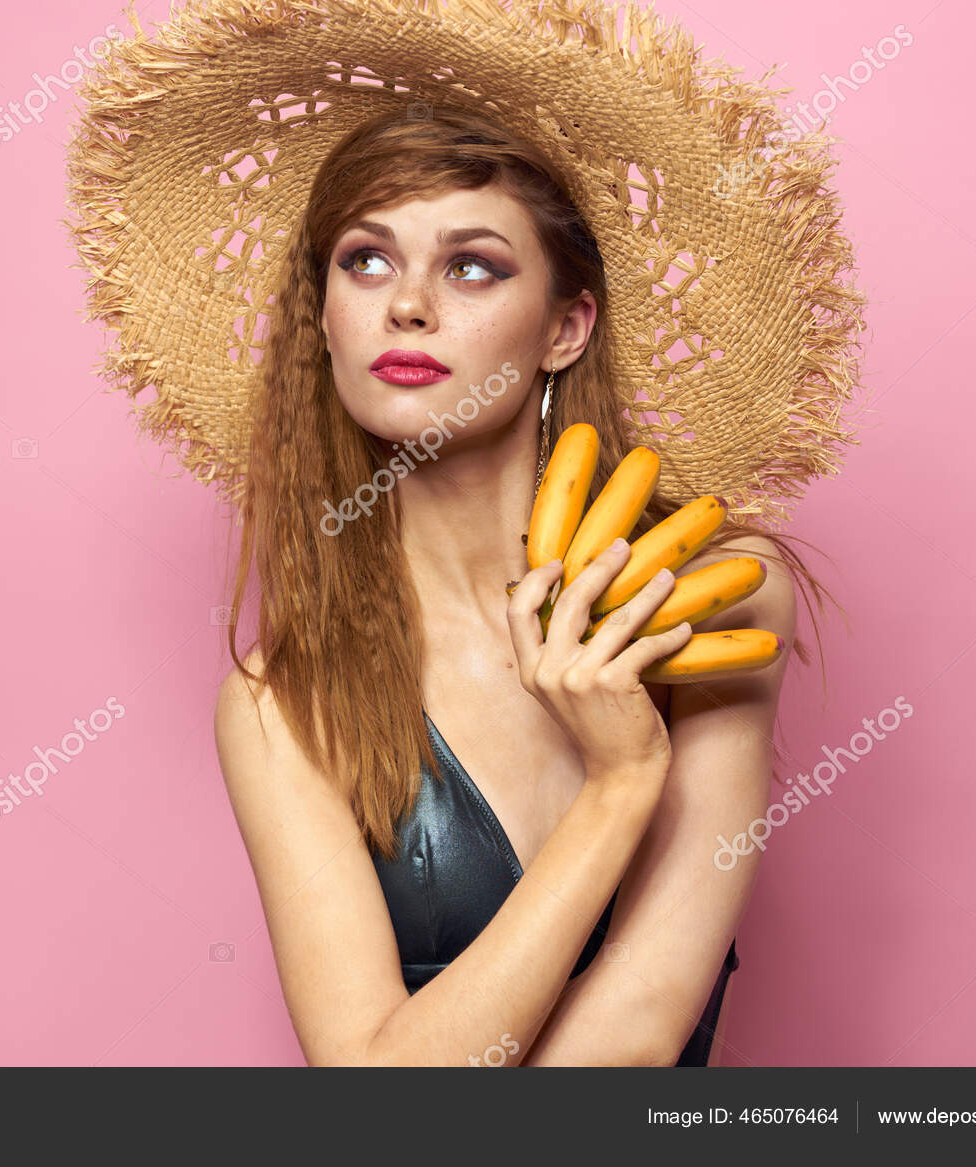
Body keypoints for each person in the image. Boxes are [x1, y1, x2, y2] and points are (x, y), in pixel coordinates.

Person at [64, 2, 863, 1067]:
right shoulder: (282, 708)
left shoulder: (710, 595)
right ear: (327, 321)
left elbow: (636, 1037)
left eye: (473, 266)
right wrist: (620, 781)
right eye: (365, 261)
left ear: (565, 327)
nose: (407, 306)